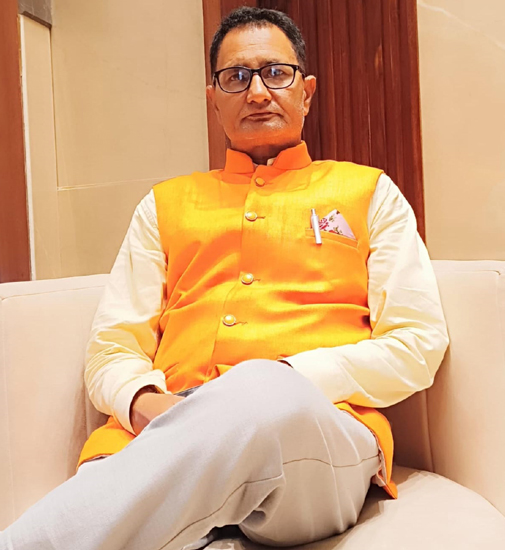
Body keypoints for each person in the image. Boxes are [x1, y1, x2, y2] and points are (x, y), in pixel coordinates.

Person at [0, 7, 449, 550]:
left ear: (306, 92)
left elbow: (417, 342)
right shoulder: (163, 205)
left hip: (316, 436)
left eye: (275, 73)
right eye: (236, 77)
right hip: (160, 431)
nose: (257, 93)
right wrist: (146, 405)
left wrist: (286, 377)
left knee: (263, 390)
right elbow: (112, 347)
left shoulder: (370, 193)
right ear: (214, 99)